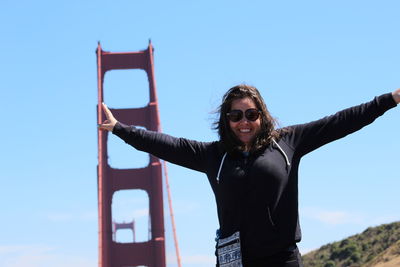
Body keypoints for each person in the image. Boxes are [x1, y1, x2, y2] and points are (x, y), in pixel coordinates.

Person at [99, 85, 400, 267]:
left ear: (262, 116)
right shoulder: (212, 155)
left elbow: (341, 121)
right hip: (233, 258)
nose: (244, 122)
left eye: (251, 114)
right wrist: (120, 129)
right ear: (226, 120)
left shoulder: (287, 142)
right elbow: (166, 145)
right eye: (235, 115)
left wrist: (391, 99)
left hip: (281, 259)